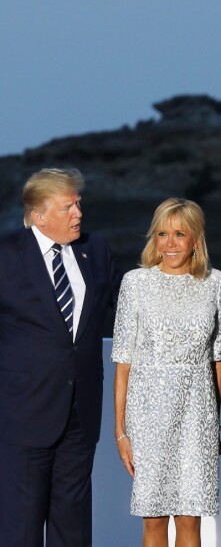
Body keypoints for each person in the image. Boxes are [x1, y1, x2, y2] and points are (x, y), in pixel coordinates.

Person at [0, 167, 120, 547]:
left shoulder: (96, 249)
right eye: (68, 206)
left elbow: (127, 309)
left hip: (80, 413)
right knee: (21, 525)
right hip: (22, 413)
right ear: (38, 215)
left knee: (73, 524)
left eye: (79, 204)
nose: (79, 213)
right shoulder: (5, 255)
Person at [112, 198, 221, 547]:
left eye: (180, 234)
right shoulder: (135, 283)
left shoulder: (216, 282)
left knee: (191, 520)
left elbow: (217, 358)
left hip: (198, 416)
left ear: (196, 239)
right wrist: (121, 433)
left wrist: (215, 422)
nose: (170, 243)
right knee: (155, 519)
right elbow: (123, 364)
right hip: (148, 418)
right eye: (162, 233)